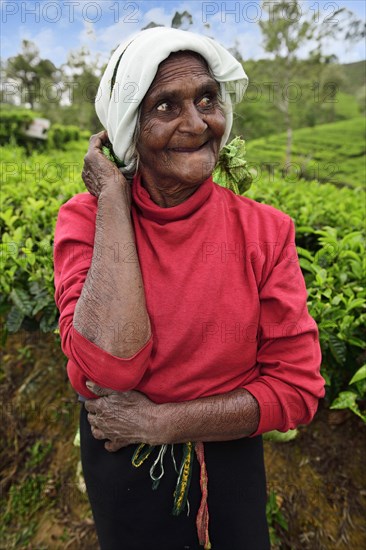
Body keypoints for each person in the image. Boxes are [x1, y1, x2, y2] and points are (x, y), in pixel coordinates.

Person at [54, 27, 325, 550]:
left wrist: (160, 422)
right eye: (165, 106)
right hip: (122, 460)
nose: (198, 123)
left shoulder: (265, 231)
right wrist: (113, 200)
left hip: (227, 454)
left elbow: (297, 389)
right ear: (128, 127)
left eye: (207, 98)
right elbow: (110, 366)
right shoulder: (86, 221)